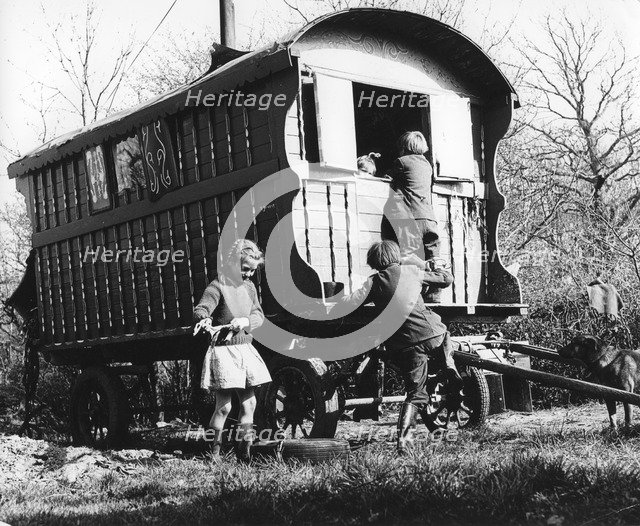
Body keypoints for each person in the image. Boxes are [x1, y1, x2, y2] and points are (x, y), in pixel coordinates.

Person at [329, 240, 463, 455]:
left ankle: (405, 444)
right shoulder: (411, 272)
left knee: (415, 393)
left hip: (406, 344)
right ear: (396, 257)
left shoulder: (374, 282)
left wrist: (333, 301)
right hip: (432, 334)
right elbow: (446, 280)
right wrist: (434, 266)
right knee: (443, 331)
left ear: (373, 261)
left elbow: (350, 304)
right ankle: (449, 365)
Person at [193, 239, 271, 461]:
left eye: (253, 271)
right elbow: (202, 308)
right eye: (245, 270)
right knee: (224, 407)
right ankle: (213, 454)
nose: (248, 275)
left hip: (245, 349)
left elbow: (258, 315)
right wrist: (204, 320)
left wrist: (245, 322)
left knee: (250, 402)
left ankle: (244, 455)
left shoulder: (249, 288)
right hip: (224, 352)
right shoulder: (217, 286)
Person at [380, 131, 440, 261]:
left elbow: (388, 177)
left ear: (405, 147)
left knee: (406, 258)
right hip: (428, 219)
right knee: (432, 259)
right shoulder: (427, 165)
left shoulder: (402, 162)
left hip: (409, 218)